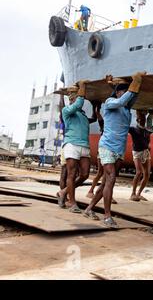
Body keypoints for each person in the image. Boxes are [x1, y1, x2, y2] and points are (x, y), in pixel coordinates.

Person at [83, 72, 145, 227]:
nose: (126, 97)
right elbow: (125, 99)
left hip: (119, 149)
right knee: (111, 179)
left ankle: (89, 209)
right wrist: (134, 83)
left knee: (105, 183)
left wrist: (137, 84)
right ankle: (107, 216)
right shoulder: (110, 102)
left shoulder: (126, 109)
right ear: (117, 93)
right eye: (123, 92)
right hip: (107, 147)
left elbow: (132, 98)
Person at [57, 81, 91, 213]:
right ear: (71, 100)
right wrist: (82, 86)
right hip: (71, 144)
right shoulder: (66, 111)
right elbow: (79, 103)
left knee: (85, 174)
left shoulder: (82, 115)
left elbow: (81, 106)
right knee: (71, 174)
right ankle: (72, 202)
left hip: (84, 145)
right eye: (74, 98)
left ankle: (63, 192)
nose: (76, 100)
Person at [129, 110, 152, 202]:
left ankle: (139, 194)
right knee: (138, 172)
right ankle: (133, 193)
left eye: (144, 119)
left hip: (145, 152)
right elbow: (124, 127)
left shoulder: (147, 130)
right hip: (137, 152)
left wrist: (152, 115)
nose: (143, 121)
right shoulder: (134, 130)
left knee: (147, 174)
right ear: (138, 120)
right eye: (141, 119)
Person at [86, 101, 105, 199]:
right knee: (101, 173)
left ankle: (101, 192)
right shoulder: (104, 124)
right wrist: (97, 107)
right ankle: (91, 190)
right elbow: (98, 115)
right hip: (102, 151)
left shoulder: (114, 126)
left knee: (106, 173)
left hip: (110, 150)